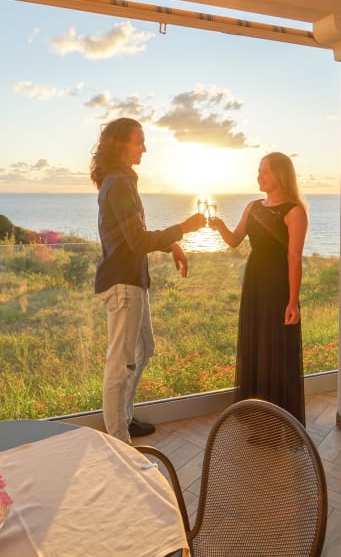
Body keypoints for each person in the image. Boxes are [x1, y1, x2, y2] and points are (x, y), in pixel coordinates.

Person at [91, 118, 206, 443]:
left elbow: (132, 234)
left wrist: (171, 245)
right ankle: (119, 441)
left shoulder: (121, 181)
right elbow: (137, 241)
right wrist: (183, 229)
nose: (144, 147)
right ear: (121, 145)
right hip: (123, 285)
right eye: (138, 141)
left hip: (132, 281)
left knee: (144, 350)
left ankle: (124, 420)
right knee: (121, 364)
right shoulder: (118, 183)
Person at [209, 152, 308, 424]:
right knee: (256, 345)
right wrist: (219, 226)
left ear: (280, 175)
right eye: (259, 171)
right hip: (254, 284)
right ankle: (255, 413)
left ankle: (276, 420)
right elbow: (234, 240)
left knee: (274, 350)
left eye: (265, 172)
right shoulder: (253, 207)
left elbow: (294, 258)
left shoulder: (294, 212)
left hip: (277, 288)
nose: (259, 177)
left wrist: (293, 301)